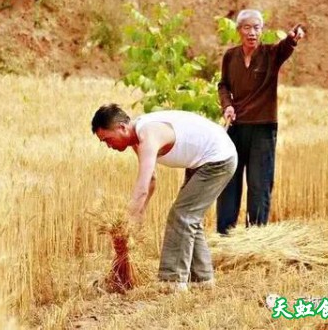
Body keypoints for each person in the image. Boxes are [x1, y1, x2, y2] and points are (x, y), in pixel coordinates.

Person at [91, 104, 237, 291]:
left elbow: (142, 187)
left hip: (219, 159)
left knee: (182, 215)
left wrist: (125, 226)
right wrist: (139, 215)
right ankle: (202, 280)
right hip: (203, 160)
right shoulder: (137, 139)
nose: (109, 146)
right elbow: (151, 180)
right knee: (189, 216)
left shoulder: (148, 135)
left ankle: (173, 281)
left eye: (108, 140)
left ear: (122, 127)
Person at [216, 9, 305, 235]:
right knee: (229, 181)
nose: (252, 32)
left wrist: (293, 38)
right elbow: (223, 85)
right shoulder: (230, 56)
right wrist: (227, 105)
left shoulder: (271, 54)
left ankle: (256, 237)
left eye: (257, 28)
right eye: (247, 27)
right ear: (239, 31)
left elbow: (286, 46)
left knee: (259, 185)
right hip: (235, 128)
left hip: (263, 129)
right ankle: (225, 236)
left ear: (262, 31)